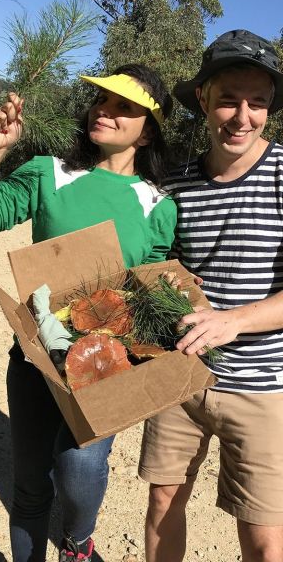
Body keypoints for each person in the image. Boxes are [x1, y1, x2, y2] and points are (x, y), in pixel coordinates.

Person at [0, 64, 175, 561]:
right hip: (35, 358)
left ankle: (76, 542)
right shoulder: (51, 173)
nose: (105, 112)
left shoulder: (158, 205)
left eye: (124, 108)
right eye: (102, 102)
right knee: (29, 487)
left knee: (81, 470)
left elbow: (152, 290)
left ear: (149, 129)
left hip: (105, 369)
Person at [140, 29, 283, 562]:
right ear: (202, 99)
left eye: (258, 103)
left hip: (263, 387)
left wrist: (233, 321)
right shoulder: (176, 183)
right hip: (180, 372)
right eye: (228, 100)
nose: (242, 117)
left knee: (264, 537)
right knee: (162, 501)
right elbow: (160, 268)